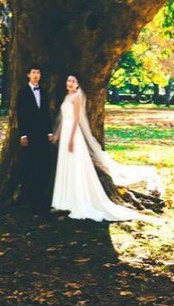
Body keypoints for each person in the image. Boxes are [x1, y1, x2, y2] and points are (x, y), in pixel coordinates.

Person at [51, 74, 163, 221]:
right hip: (65, 133)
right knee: (65, 165)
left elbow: (76, 119)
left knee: (75, 165)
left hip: (73, 134)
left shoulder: (77, 97)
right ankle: (64, 200)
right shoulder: (67, 97)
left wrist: (71, 139)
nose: (70, 83)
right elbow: (64, 119)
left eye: (73, 81)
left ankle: (76, 200)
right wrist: (58, 135)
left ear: (78, 84)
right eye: (68, 80)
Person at [16, 65, 55, 211]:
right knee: (30, 165)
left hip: (43, 134)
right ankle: (31, 199)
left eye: (38, 72)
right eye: (33, 72)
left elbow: (46, 113)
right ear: (28, 75)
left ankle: (43, 198)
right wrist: (22, 134)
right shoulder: (22, 92)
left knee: (44, 165)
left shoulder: (43, 91)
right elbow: (20, 114)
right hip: (29, 134)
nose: (36, 75)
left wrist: (49, 131)